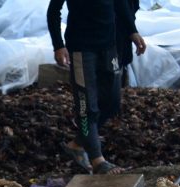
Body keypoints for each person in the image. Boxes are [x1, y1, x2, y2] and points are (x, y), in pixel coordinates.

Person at [46, 0, 146, 174]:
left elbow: (120, 4)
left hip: (109, 46)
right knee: (86, 107)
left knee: (112, 102)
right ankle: (98, 161)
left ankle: (78, 144)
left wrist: (132, 31)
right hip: (81, 49)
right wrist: (58, 45)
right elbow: (53, 11)